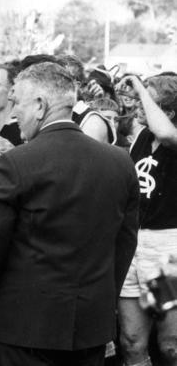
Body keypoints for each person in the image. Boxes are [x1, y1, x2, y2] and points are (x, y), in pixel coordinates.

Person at [0, 62, 139, 366]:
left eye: (16, 103)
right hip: (90, 324)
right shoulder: (120, 161)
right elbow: (125, 243)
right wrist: (99, 297)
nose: (13, 115)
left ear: (40, 106)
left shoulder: (17, 162)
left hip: (26, 326)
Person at [116, 74, 177, 366]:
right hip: (133, 244)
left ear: (170, 111)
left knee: (169, 346)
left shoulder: (171, 137)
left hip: (166, 252)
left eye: (148, 100)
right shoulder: (142, 137)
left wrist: (140, 85)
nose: (140, 104)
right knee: (131, 342)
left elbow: (166, 135)